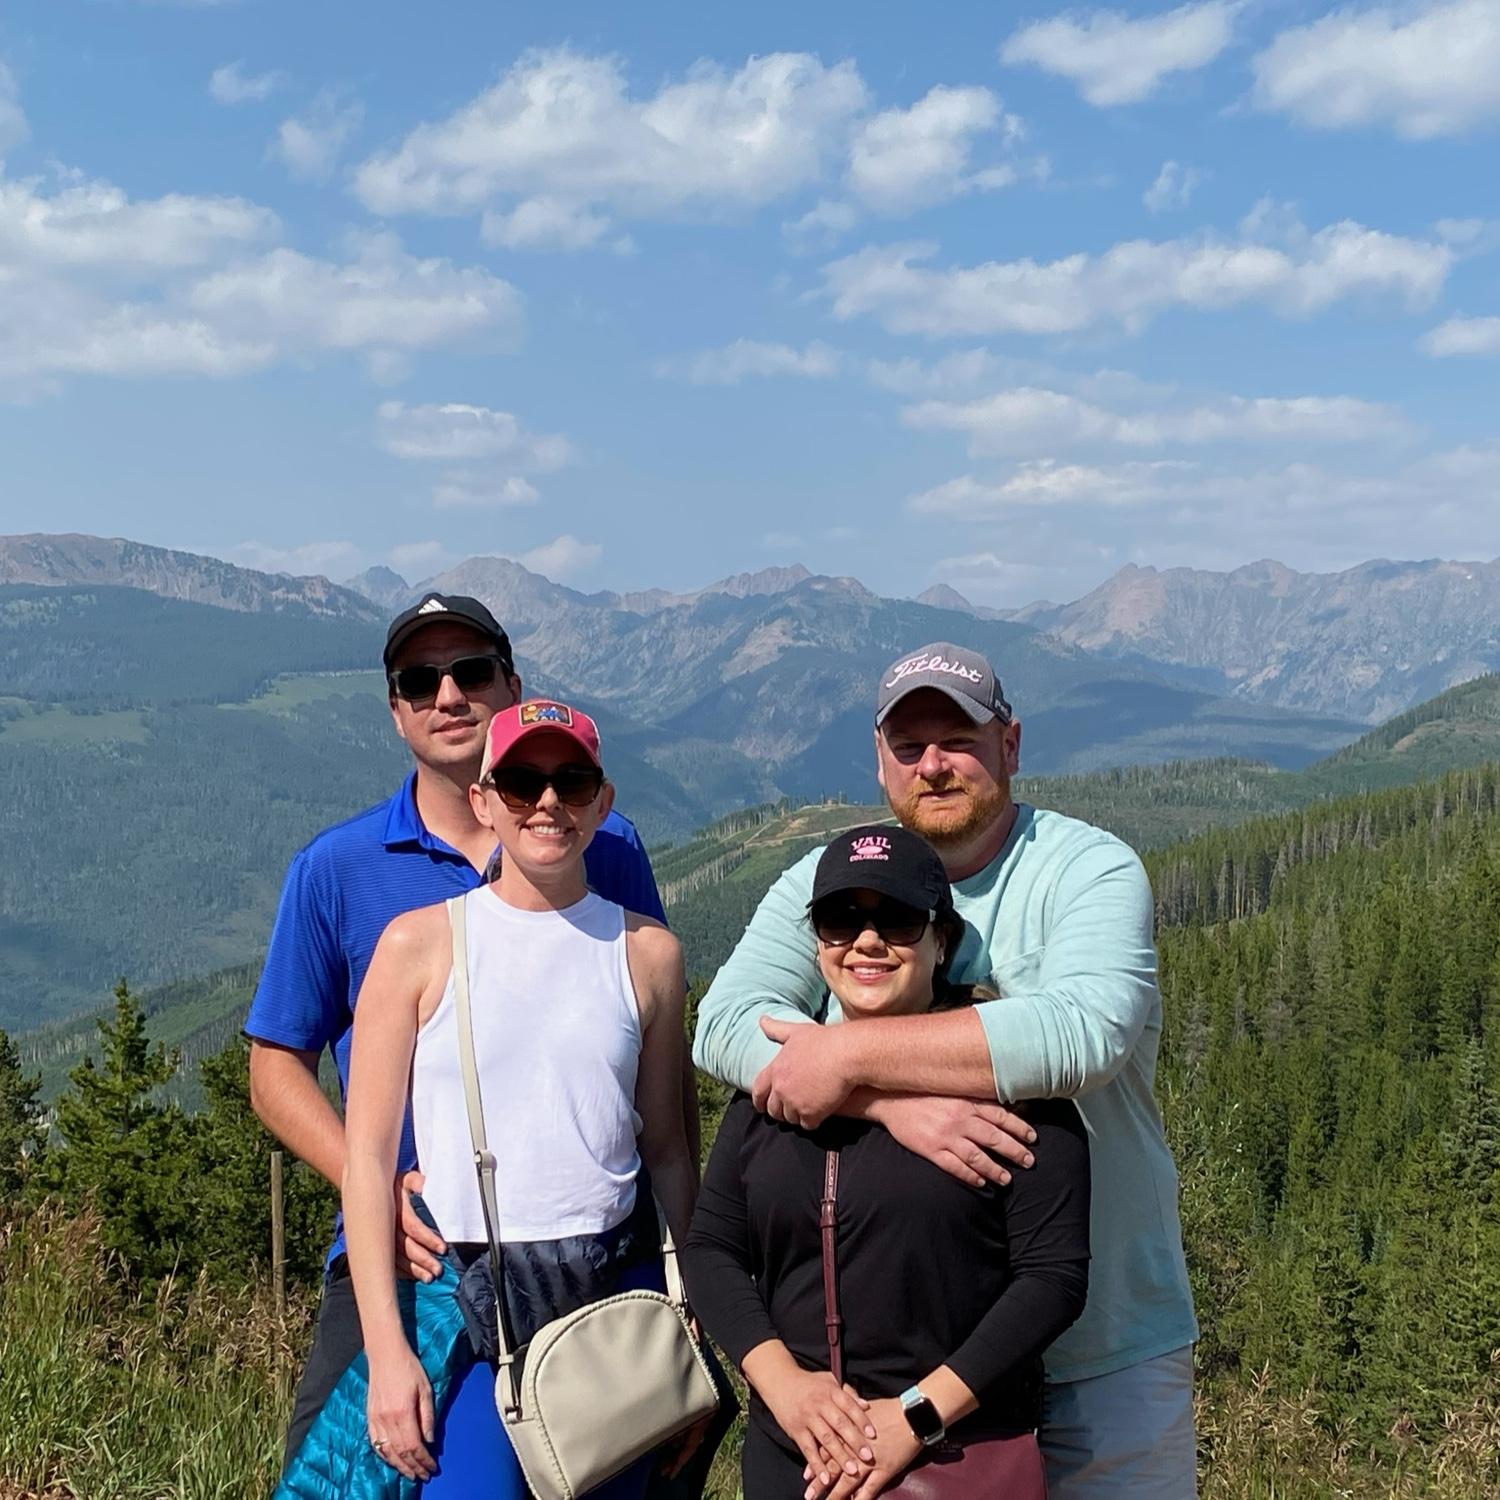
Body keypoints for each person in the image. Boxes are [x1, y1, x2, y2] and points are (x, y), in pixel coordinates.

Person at [694, 642, 1199, 1498]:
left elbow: (1085, 1034)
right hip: (910, 1375)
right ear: (880, 759)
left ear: (1011, 744)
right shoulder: (827, 881)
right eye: (909, 745)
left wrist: (846, 1055)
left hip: (1104, 1344)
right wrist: (889, 1106)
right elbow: (722, 1025)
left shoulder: (1088, 870)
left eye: (958, 739)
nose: (932, 765)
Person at [246, 593, 667, 1464]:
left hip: (588, 1247)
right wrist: (375, 1187)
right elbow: (275, 1067)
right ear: (395, 709)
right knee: (336, 1468)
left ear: (512, 686)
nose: (447, 695)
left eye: (471, 672)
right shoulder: (338, 869)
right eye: (420, 681)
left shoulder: (605, 844)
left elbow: (640, 1021)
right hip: (409, 1252)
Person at [342, 698, 699, 1494]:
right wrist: (388, 1352)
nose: (547, 802)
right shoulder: (416, 947)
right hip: (468, 1300)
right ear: (483, 801)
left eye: (571, 783)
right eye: (520, 784)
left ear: (602, 803)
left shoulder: (649, 955)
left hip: (615, 1297)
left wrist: (690, 1313)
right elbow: (366, 1160)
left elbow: (670, 1150)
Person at [683, 825, 1090, 1500]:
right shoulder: (777, 1088)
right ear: (818, 946)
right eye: (840, 921)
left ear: (942, 941)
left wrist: (918, 1415)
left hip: (959, 1457)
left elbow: (1052, 1279)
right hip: (794, 1458)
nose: (866, 941)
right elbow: (711, 1249)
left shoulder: (1015, 1095)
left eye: (897, 920)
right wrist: (786, 1388)